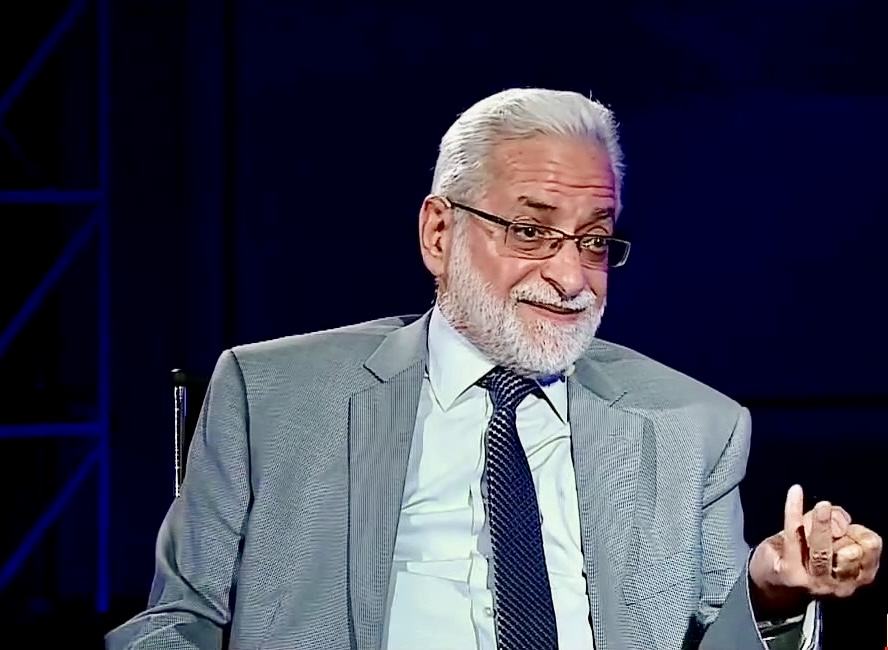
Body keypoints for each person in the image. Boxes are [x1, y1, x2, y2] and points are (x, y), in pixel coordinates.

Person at [107, 88, 881, 650]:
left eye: (594, 240)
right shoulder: (274, 396)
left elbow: (718, 638)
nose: (572, 278)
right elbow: (178, 624)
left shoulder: (695, 426)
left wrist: (769, 590)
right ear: (439, 234)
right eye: (530, 232)